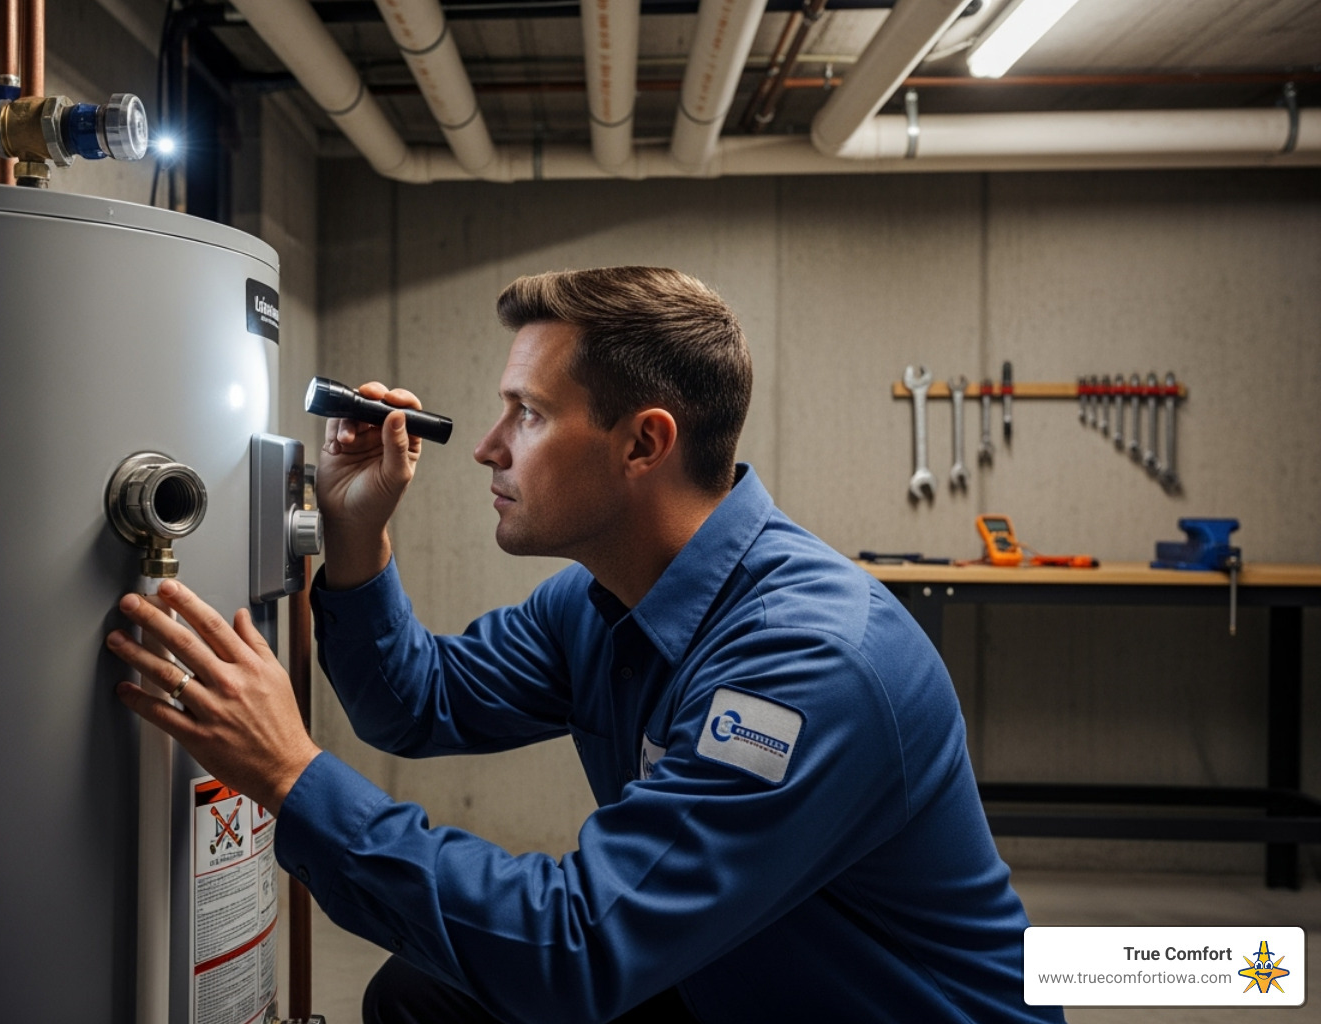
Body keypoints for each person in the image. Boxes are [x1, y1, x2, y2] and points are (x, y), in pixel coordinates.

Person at [109, 266, 1064, 1024]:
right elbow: (418, 702)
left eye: (526, 412)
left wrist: (290, 774)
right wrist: (355, 538)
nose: (487, 447)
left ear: (644, 444)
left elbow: (577, 950)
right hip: (731, 981)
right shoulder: (601, 602)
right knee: (424, 995)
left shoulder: (811, 664)